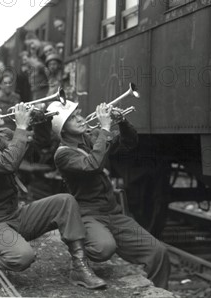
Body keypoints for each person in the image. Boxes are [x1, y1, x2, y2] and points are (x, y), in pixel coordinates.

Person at [0, 88, 106, 289]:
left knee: (65, 201)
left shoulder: (2, 135)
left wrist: (40, 119)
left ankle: (79, 267)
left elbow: (38, 145)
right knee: (23, 256)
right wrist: (20, 126)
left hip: (15, 215)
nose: (0, 109)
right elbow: (7, 163)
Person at [49, 100, 170, 289]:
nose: (81, 119)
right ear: (62, 129)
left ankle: (160, 292)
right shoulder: (63, 154)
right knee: (104, 248)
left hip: (114, 213)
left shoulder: (92, 137)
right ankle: (78, 262)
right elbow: (92, 165)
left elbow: (129, 143)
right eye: (73, 118)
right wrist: (105, 128)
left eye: (79, 113)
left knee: (158, 252)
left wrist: (122, 122)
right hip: (89, 215)